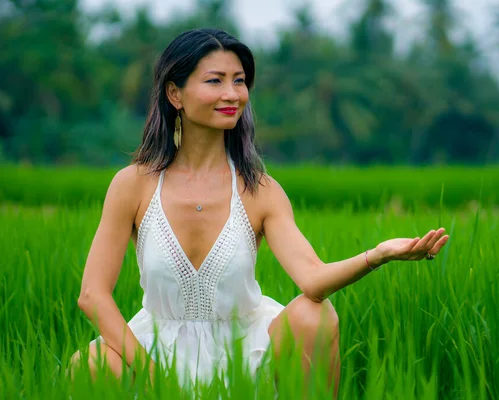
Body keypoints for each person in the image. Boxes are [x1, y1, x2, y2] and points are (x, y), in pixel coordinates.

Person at [69, 28, 450, 398]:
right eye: (215, 81)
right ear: (175, 93)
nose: (232, 94)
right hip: (156, 351)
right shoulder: (133, 185)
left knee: (315, 315)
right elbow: (92, 294)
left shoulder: (259, 190)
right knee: (87, 364)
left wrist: (379, 255)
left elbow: (313, 280)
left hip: (246, 351)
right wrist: (155, 375)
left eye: (240, 81)